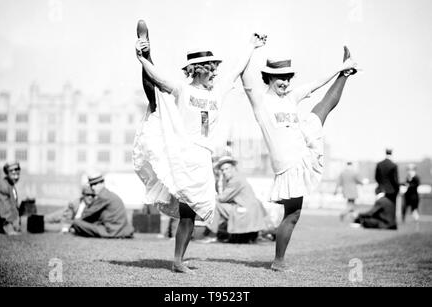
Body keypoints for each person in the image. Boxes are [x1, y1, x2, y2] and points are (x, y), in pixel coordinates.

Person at [132, 20, 266, 273]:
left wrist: (252, 45)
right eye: (212, 69)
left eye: (216, 69)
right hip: (183, 154)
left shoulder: (216, 93)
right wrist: (143, 58)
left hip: (203, 159)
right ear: (199, 70)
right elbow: (155, 81)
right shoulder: (182, 89)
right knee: (187, 212)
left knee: (191, 214)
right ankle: (179, 262)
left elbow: (237, 69)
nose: (215, 73)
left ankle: (177, 261)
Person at [241, 45, 358, 271]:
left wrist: (340, 68)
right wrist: (250, 46)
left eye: (287, 78)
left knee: (321, 110)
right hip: (288, 164)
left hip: (302, 149)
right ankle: (278, 262)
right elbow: (244, 76)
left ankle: (345, 75)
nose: (285, 82)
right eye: (279, 78)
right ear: (268, 78)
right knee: (292, 215)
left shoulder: (290, 97)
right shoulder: (261, 101)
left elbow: (316, 83)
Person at [206, 156, 268, 243]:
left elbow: (223, 198)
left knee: (216, 204)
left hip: (245, 210)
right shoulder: (238, 177)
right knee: (221, 205)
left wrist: (209, 197)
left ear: (233, 168)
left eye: (226, 169)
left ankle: (211, 234)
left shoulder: (235, 180)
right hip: (250, 209)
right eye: (222, 170)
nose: (224, 172)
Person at [71, 174, 134, 238]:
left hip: (112, 231)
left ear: (102, 183)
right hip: (122, 230)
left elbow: (86, 214)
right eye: (91, 185)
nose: (92, 187)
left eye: (95, 184)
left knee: (76, 222)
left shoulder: (103, 196)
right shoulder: (109, 194)